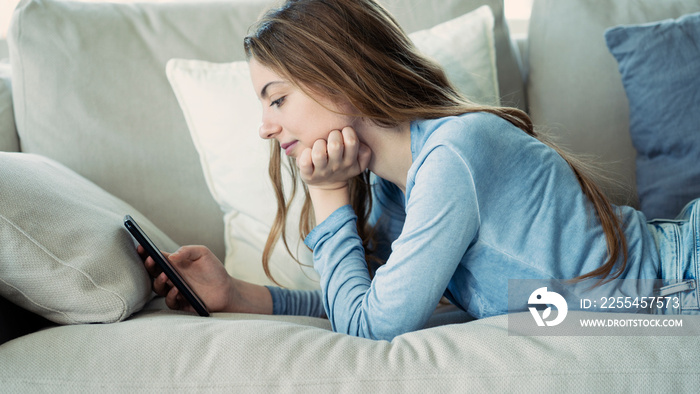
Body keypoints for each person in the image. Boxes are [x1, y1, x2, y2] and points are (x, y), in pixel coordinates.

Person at [141, 0, 700, 341]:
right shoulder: (394, 186)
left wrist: (329, 194)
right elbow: (367, 305)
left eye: (276, 99)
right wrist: (237, 294)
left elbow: (371, 329)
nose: (264, 127)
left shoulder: (453, 156)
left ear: (339, 76)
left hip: (682, 279)